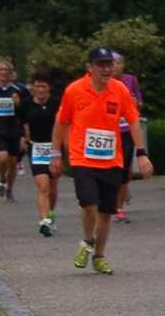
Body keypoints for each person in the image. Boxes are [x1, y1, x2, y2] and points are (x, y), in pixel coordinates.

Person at [51, 47, 153, 272]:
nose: (107, 69)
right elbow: (61, 122)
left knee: (107, 211)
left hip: (110, 159)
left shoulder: (120, 90)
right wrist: (56, 154)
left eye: (110, 64)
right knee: (89, 204)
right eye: (101, 65)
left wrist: (142, 153)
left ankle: (99, 255)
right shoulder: (75, 90)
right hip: (82, 158)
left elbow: (134, 121)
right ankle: (88, 240)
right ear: (90, 68)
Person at [19, 73, 60, 235]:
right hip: (36, 148)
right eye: (37, 86)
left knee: (52, 186)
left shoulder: (56, 103)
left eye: (43, 86)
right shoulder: (27, 103)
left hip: (53, 147)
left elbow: (63, 123)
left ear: (49, 87)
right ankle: (44, 221)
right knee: (42, 186)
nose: (40, 90)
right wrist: (25, 138)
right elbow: (23, 122)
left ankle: (51, 213)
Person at [0, 59, 28, 203]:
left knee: (12, 162)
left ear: (11, 73)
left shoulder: (18, 90)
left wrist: (18, 103)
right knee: (2, 157)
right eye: (1, 70)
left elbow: (25, 112)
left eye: (6, 70)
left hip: (14, 131)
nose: (4, 73)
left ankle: (10, 189)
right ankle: (2, 179)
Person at [111, 53, 143, 222]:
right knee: (110, 169)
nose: (114, 66)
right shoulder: (105, 82)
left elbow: (140, 103)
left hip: (126, 130)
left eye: (117, 63)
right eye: (111, 63)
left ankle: (119, 208)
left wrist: (135, 103)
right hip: (109, 132)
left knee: (124, 170)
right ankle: (111, 199)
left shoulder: (131, 80)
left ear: (123, 65)